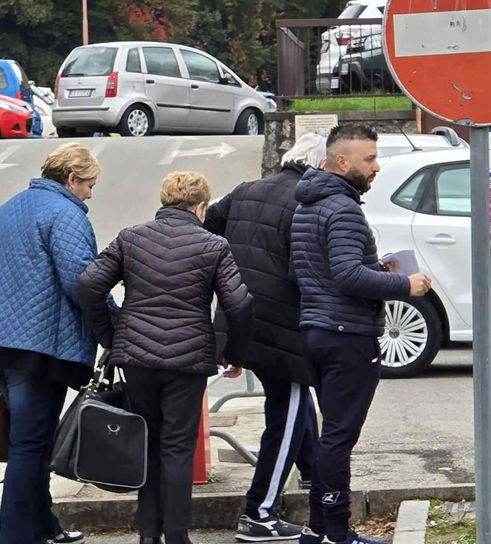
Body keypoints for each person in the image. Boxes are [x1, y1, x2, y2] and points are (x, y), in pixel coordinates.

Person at [79, 171, 253, 544]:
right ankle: (176, 536)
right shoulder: (213, 246)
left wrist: (111, 335)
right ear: (201, 206)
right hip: (188, 362)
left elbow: (90, 283)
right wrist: (232, 351)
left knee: (147, 440)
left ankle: (147, 535)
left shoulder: (130, 238)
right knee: (176, 447)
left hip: (137, 360)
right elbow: (238, 303)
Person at [290, 125, 432, 544]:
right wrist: (406, 285)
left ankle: (317, 530)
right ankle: (336, 531)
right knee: (339, 437)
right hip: (347, 334)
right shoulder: (344, 209)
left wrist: (374, 271)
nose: (377, 166)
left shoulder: (308, 205)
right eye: (369, 159)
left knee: (331, 433)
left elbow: (322, 270)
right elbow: (349, 275)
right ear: (342, 162)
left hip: (316, 329)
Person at [0, 142, 101, 544]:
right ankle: (18, 536)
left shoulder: (7, 208)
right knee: (29, 443)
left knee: (30, 442)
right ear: (72, 179)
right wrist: (113, 321)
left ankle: (44, 526)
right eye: (89, 184)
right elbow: (81, 281)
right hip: (35, 348)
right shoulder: (65, 213)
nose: (90, 193)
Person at [204, 133, 328, 541]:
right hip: (283, 323)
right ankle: (259, 511)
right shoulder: (307, 202)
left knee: (294, 400)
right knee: (287, 411)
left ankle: (311, 472)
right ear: (320, 165)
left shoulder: (246, 190)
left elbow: (208, 222)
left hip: (241, 316)